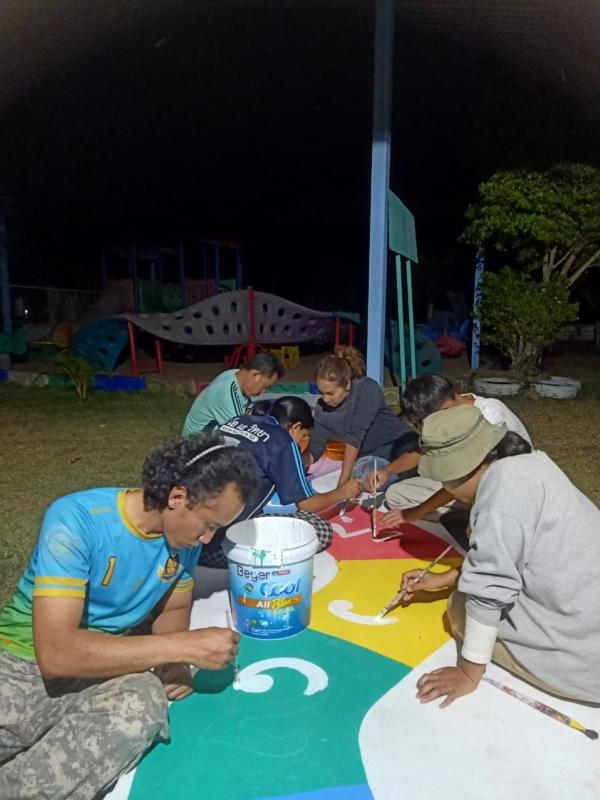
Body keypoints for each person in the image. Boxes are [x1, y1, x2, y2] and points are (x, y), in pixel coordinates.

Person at [0, 434, 258, 799]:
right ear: (177, 497)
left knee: (143, 703)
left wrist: (173, 664)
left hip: (102, 671)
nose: (207, 539)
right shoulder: (78, 520)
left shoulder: (182, 541)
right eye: (208, 524)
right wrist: (180, 647)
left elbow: (174, 606)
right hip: (18, 665)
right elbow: (56, 653)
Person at [400, 405, 600, 707]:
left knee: (459, 608)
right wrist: (442, 579)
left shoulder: (499, 502)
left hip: (583, 659)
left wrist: (468, 673)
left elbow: (488, 591)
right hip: (586, 616)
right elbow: (510, 556)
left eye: (444, 480)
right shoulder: (528, 463)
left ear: (458, 472)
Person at [198, 396, 363, 568]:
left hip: (191, 532)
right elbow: (306, 505)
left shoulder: (236, 421)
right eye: (303, 436)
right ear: (296, 427)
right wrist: (342, 492)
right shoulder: (283, 441)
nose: (300, 442)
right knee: (320, 529)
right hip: (221, 547)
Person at [371, 374, 532, 530]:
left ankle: (471, 520)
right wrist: (387, 471)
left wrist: (414, 513)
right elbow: (421, 453)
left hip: (500, 490)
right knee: (395, 496)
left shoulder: (490, 416)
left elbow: (465, 481)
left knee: (473, 517)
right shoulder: (454, 410)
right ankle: (460, 516)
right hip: (465, 482)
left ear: (445, 409)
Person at [308, 346, 420, 487]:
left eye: (331, 393)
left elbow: (355, 436)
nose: (325, 399)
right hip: (370, 457)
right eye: (321, 393)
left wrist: (342, 485)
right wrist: (300, 462)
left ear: (347, 384)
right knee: (368, 483)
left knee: (413, 459)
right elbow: (315, 448)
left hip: (398, 443)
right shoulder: (322, 409)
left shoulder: (367, 389)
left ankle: (393, 473)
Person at [182, 351, 285, 436]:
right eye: (264, 386)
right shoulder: (227, 394)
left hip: (205, 438)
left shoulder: (234, 374)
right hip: (196, 447)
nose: (262, 392)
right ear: (255, 375)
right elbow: (242, 436)